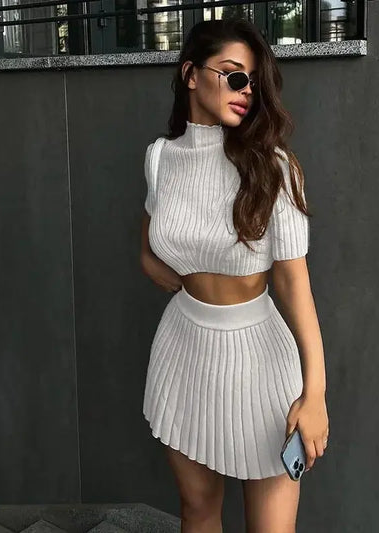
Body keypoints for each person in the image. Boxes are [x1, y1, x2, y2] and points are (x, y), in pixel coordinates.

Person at [139, 18, 329, 533]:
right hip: (183, 351)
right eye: (234, 75)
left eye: (253, 82)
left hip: (260, 361)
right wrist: (168, 274)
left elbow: (294, 284)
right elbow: (151, 244)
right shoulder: (160, 158)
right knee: (197, 510)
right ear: (191, 75)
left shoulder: (273, 166)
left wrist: (315, 393)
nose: (247, 91)